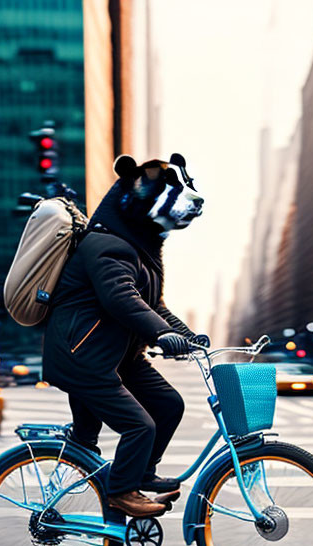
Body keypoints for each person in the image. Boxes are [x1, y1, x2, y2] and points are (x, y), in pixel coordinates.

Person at [42, 153, 206, 518]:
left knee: (168, 406)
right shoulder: (107, 245)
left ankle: (140, 473)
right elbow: (121, 299)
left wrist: (187, 336)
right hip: (82, 358)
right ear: (135, 197)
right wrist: (162, 336)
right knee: (139, 426)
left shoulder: (139, 252)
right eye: (173, 191)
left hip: (115, 357)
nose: (190, 198)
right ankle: (121, 492)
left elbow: (153, 305)